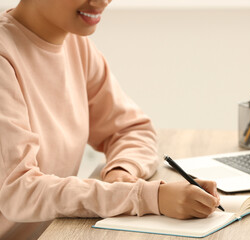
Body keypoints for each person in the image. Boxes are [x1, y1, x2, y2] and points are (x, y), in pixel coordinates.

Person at [0, 0, 220, 239]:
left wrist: (121, 170)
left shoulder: (76, 44)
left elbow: (131, 129)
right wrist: (146, 197)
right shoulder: (4, 56)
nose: (102, 1)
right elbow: (18, 191)